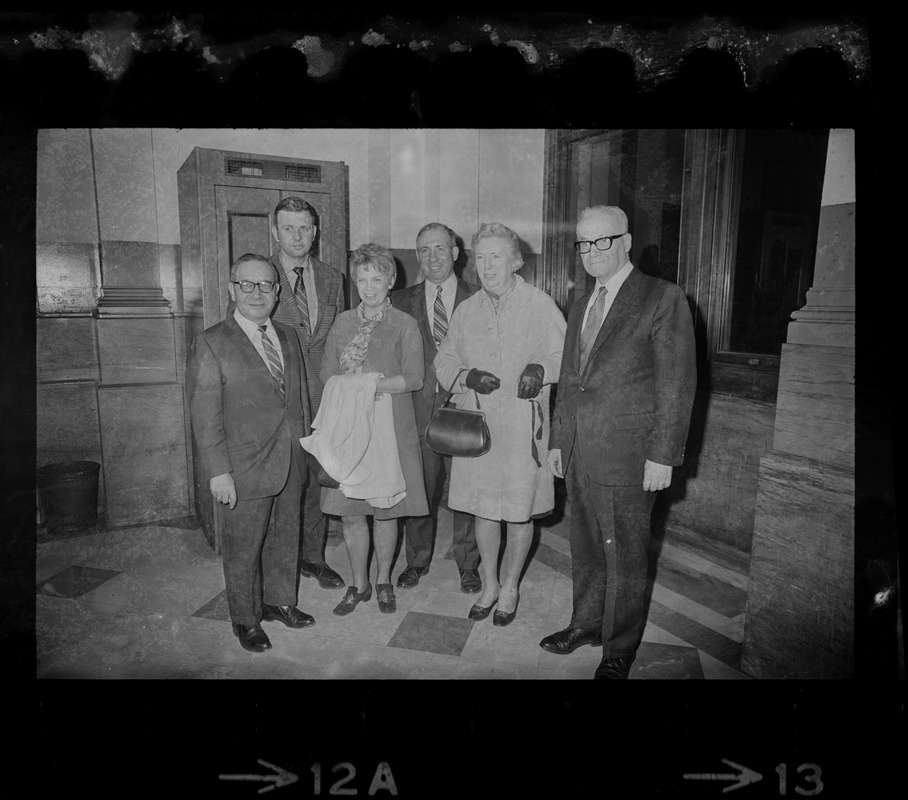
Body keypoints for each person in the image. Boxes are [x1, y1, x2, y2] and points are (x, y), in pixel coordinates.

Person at [541, 205, 697, 679]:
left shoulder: (661, 297)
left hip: (632, 455)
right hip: (582, 451)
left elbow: (677, 384)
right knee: (586, 547)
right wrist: (557, 441)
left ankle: (619, 648)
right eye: (583, 244)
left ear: (627, 242)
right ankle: (586, 625)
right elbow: (571, 381)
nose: (591, 252)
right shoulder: (583, 302)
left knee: (626, 555)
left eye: (602, 241)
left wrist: (663, 456)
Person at [435, 222, 566, 626]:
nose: (487, 266)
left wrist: (540, 368)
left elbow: (566, 356)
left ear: (515, 261)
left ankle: (510, 587)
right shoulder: (466, 309)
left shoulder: (539, 303)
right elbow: (444, 360)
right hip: (480, 430)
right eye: (481, 257)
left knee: (519, 512)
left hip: (524, 428)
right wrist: (467, 376)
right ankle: (490, 584)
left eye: (497, 257)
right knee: (484, 511)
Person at [187, 253, 315, 653]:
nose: (257, 293)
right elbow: (204, 417)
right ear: (231, 289)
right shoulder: (211, 341)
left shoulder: (290, 335)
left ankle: (279, 602)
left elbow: (300, 400)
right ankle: (245, 619)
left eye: (266, 285)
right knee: (243, 548)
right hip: (242, 466)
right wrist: (218, 472)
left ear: (278, 292)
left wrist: (309, 449)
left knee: (285, 536)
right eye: (247, 284)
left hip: (291, 458)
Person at [318, 244, 429, 616]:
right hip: (349, 427)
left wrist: (369, 385)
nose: (369, 286)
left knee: (385, 511)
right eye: (362, 279)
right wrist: (353, 389)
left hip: (389, 428)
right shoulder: (343, 323)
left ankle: (383, 581)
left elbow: (414, 379)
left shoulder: (404, 324)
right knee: (351, 512)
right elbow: (326, 374)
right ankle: (358, 584)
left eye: (376, 278)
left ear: (391, 280)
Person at [392, 223, 481, 594]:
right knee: (420, 489)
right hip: (416, 411)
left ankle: (469, 564)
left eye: (440, 249)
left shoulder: (479, 298)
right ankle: (417, 560)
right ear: (417, 256)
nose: (432, 257)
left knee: (465, 490)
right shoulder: (398, 301)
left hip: (465, 411)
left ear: (456, 252)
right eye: (424, 250)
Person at [269, 196, 347, 591]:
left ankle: (314, 559)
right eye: (288, 228)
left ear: (315, 233)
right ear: (275, 232)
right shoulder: (261, 277)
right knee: (284, 482)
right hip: (279, 399)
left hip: (323, 398)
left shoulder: (333, 277)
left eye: (304, 228)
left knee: (317, 479)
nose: (297, 236)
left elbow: (343, 339)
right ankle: (282, 564)